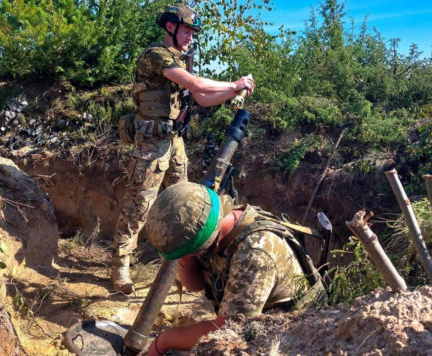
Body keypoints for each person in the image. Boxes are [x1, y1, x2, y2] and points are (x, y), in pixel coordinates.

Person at [112, 3, 256, 294]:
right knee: (139, 205)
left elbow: (202, 98)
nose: (190, 36)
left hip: (174, 142)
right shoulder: (156, 56)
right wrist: (234, 83)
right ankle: (120, 266)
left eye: (193, 32)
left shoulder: (180, 60)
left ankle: (179, 266)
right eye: (187, 30)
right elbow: (194, 84)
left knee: (183, 204)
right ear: (170, 27)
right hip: (151, 144)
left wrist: (232, 93)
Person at [142, 182, 325, 355]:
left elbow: (228, 330)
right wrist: (185, 257)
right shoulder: (213, 221)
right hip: (259, 324)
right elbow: (194, 285)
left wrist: (164, 340)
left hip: (294, 339)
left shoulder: (253, 252)